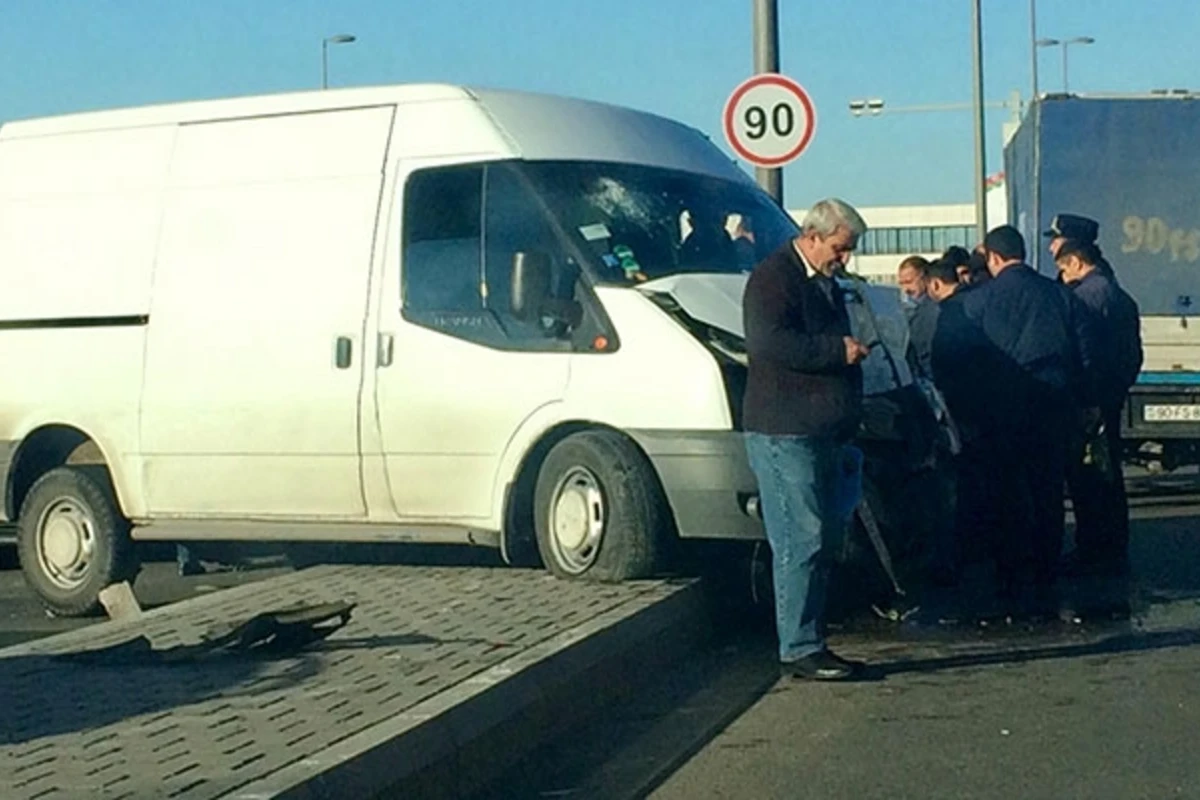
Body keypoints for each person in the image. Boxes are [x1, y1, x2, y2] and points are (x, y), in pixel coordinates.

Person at [742, 197, 870, 681]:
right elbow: (769, 341)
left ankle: (811, 634)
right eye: (840, 248)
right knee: (802, 537)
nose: (845, 259)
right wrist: (836, 351)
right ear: (813, 236)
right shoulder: (774, 278)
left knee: (822, 535)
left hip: (821, 428)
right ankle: (799, 646)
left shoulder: (826, 284)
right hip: (784, 429)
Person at [960, 225, 1099, 614]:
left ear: (993, 257)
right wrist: (1085, 402)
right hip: (1052, 408)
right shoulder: (1061, 296)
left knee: (1004, 490)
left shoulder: (978, 301)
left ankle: (1009, 571)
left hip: (998, 412)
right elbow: (1084, 355)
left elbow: (965, 360)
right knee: (1048, 490)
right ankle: (1046, 567)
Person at [1054, 239, 1143, 575]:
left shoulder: (1084, 298)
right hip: (1112, 394)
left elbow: (1081, 353)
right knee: (1110, 472)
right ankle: (1112, 543)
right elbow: (1133, 354)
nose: (1062, 276)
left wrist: (1086, 397)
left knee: (1088, 476)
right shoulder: (1120, 296)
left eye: (1064, 268)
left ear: (1076, 262)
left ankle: (1092, 546)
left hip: (1089, 401)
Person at [897, 256, 938, 381]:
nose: (905, 289)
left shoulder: (934, 308)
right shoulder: (904, 310)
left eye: (909, 282)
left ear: (925, 279)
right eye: (902, 284)